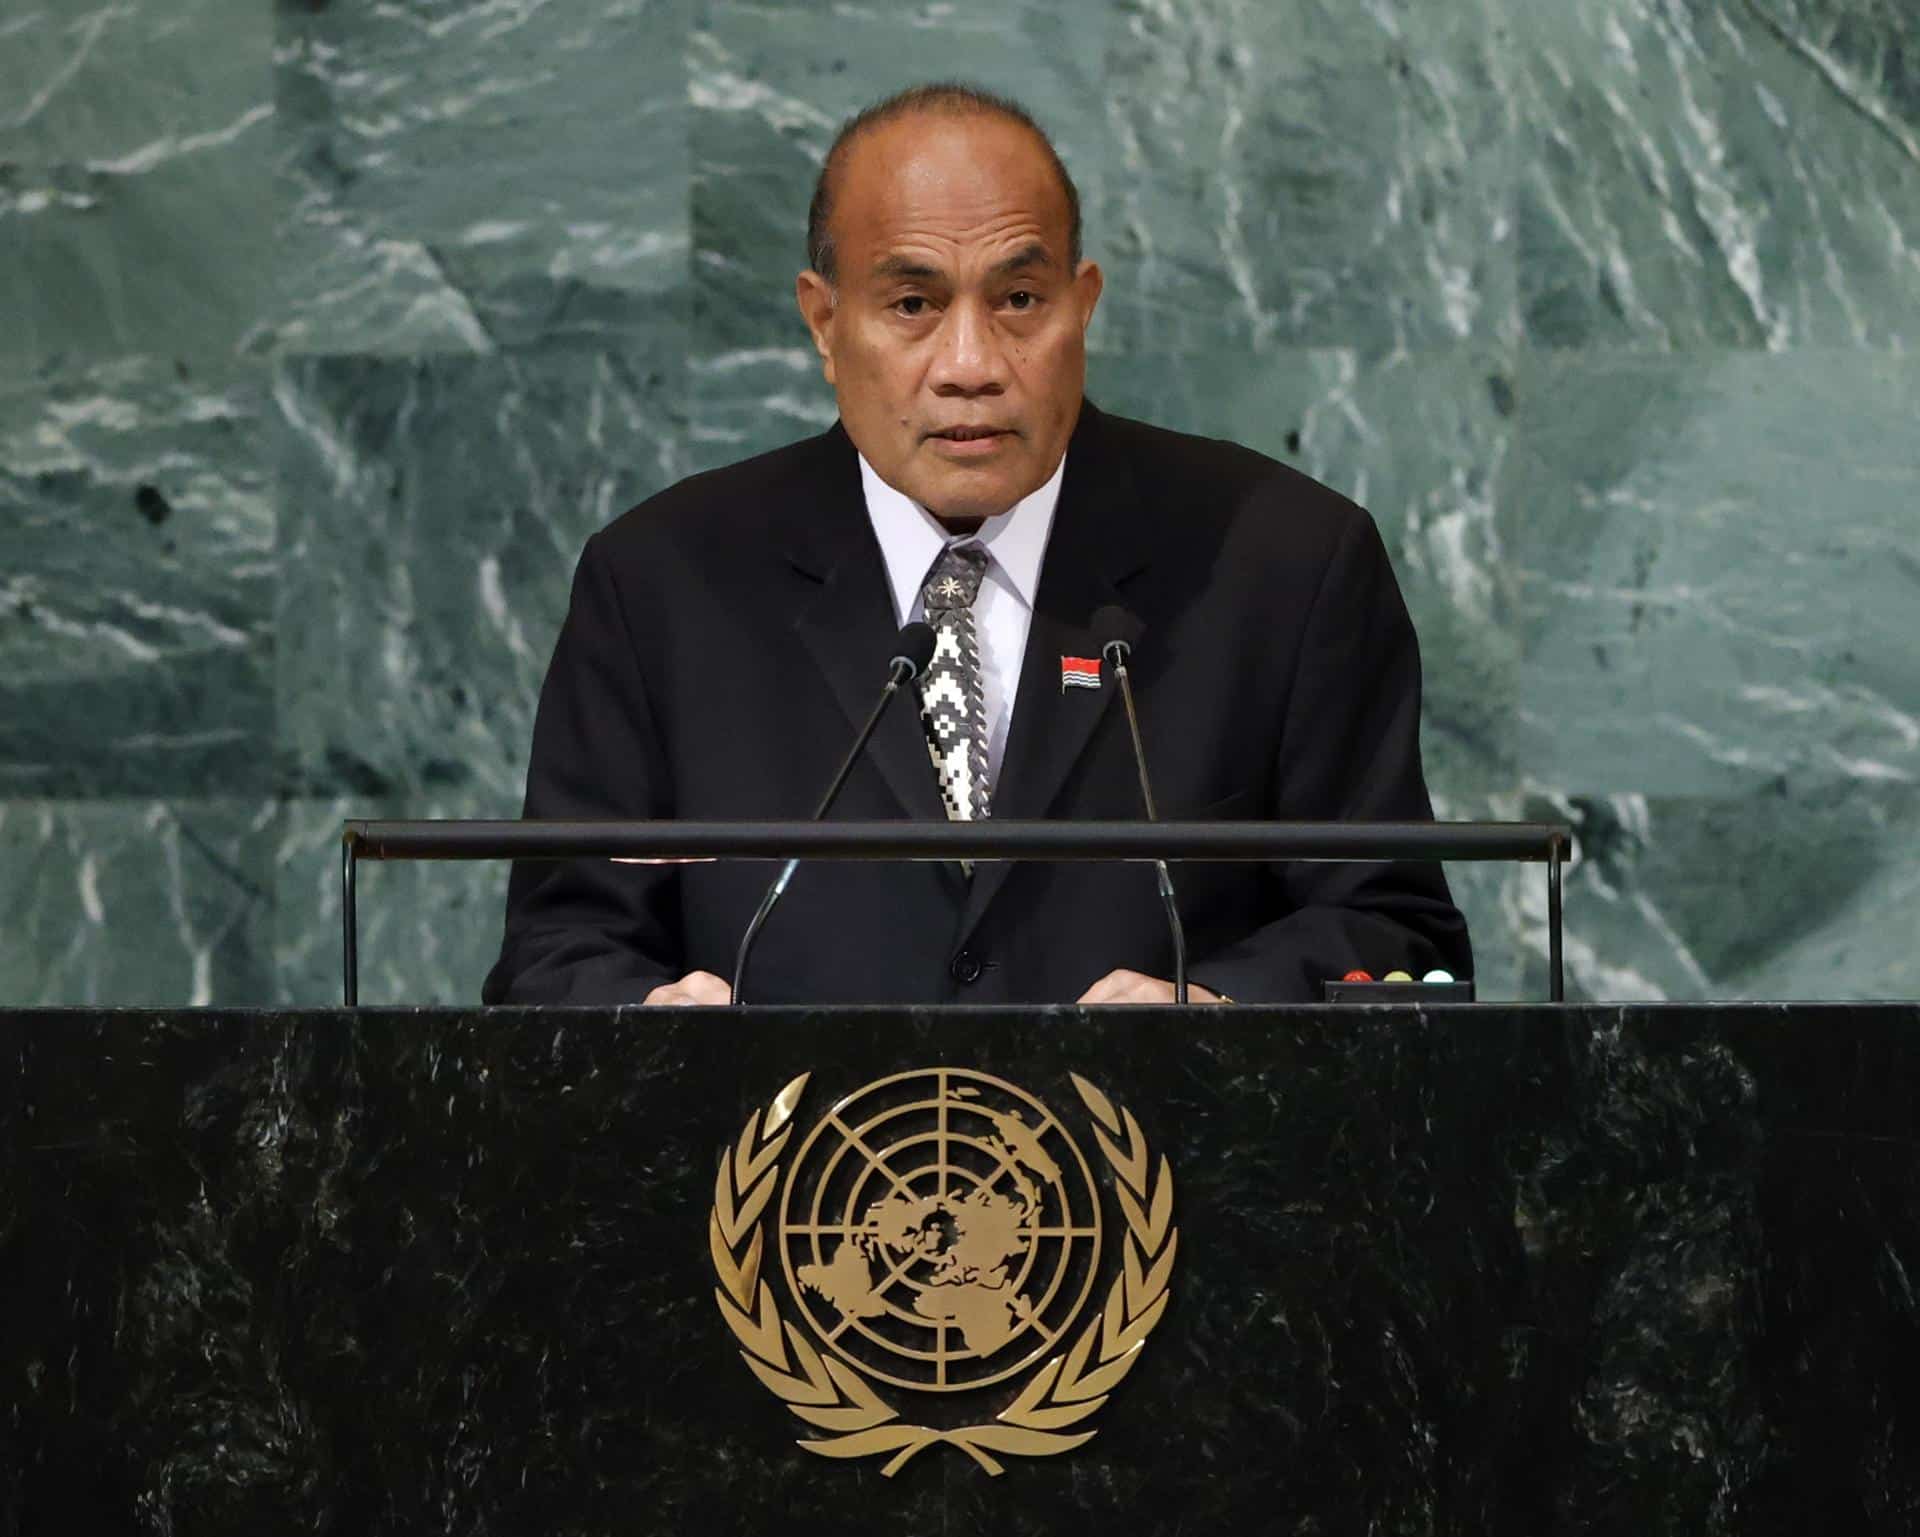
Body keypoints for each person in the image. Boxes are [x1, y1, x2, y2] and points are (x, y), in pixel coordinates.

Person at [482, 83, 1471, 1008]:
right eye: (912, 305)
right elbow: (556, 951)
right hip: (792, 1184)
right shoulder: (663, 583)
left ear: (1083, 303)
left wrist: (1221, 1014)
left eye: (1019, 301)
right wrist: (643, 1023)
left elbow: (1398, 931)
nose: (970, 366)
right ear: (824, 322)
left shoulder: (1283, 563)